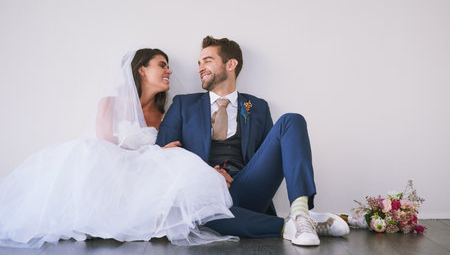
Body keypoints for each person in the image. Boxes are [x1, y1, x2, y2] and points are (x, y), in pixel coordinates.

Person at [0, 49, 238, 248]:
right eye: (162, 65)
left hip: (142, 182)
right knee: (88, 150)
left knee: (177, 158)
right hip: (107, 175)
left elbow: (168, 150)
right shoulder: (110, 103)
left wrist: (165, 154)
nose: (169, 71)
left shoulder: (165, 116)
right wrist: (152, 153)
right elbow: (106, 148)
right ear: (142, 70)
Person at [156, 36, 349, 247]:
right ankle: (293, 225)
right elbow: (162, 156)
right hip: (204, 199)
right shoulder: (183, 105)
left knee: (292, 120)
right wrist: (206, 174)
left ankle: (301, 212)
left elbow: (271, 158)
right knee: (199, 216)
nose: (200, 68)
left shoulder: (257, 106)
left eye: (208, 60)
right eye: (199, 63)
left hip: (247, 189)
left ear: (231, 64)